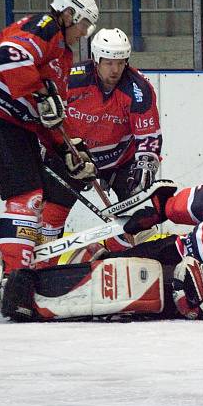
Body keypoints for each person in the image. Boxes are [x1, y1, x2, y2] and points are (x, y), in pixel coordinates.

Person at [0, 180, 203, 322]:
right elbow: (193, 203)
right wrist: (159, 210)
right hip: (173, 250)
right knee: (109, 270)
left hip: (200, 283)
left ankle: (31, 301)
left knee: (118, 299)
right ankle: (36, 282)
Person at [0, 0, 99, 287]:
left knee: (37, 195)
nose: (85, 32)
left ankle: (21, 262)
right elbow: (10, 55)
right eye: (84, 23)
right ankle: (15, 279)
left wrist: (70, 152)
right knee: (26, 196)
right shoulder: (44, 26)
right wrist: (39, 91)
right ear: (69, 14)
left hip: (13, 123)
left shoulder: (63, 54)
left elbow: (52, 115)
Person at [43, 27, 163, 258]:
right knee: (52, 212)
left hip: (120, 161)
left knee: (143, 216)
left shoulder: (139, 89)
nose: (115, 69)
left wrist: (147, 163)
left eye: (120, 63)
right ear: (96, 59)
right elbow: (48, 113)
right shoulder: (72, 79)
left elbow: (148, 136)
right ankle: (43, 267)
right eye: (108, 63)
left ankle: (101, 252)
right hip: (75, 156)